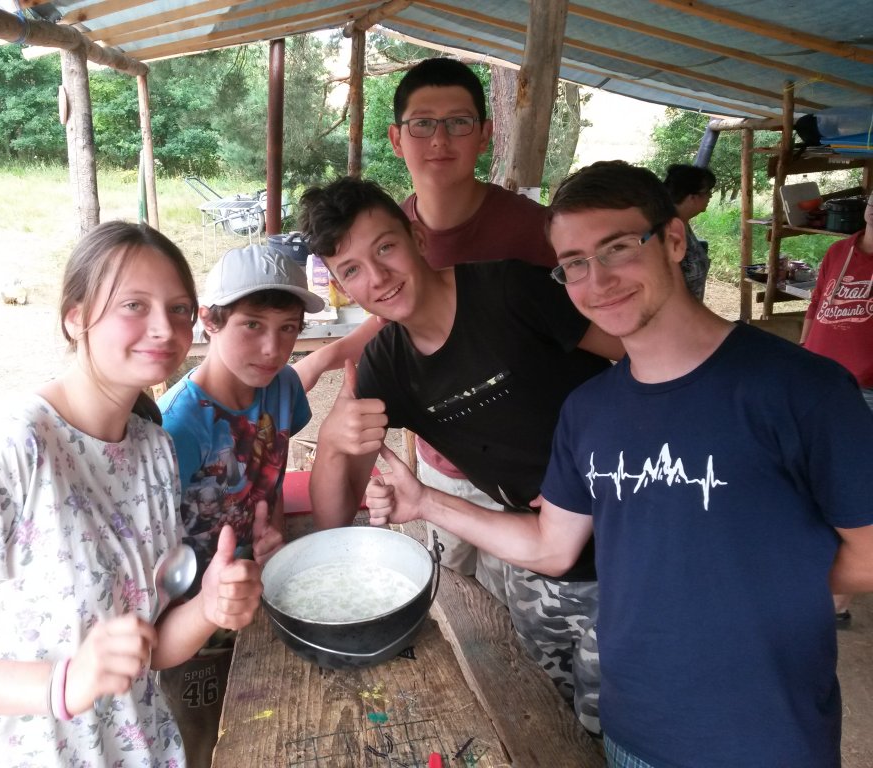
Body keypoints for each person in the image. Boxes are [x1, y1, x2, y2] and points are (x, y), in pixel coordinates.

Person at [366, 161, 873, 767]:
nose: (598, 280)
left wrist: (750, 587)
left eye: (618, 248)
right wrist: (425, 502)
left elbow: (868, 553)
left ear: (674, 240)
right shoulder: (589, 412)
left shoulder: (799, 389)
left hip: (762, 736)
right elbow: (551, 547)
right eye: (575, 263)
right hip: (631, 731)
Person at [0, 221, 264, 767]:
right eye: (134, 305)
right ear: (75, 317)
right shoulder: (5, 446)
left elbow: (147, 651)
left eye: (179, 309)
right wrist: (60, 685)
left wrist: (209, 606)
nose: (164, 327)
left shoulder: (154, 450)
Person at [297, 175, 624, 735]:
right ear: (342, 287)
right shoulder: (386, 365)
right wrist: (331, 439)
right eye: (351, 270)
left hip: (627, 546)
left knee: (623, 723)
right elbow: (335, 518)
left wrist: (606, 458)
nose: (377, 277)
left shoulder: (510, 290)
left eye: (385, 247)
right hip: (533, 560)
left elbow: (639, 354)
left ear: (418, 238)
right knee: (552, 717)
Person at [295, 58, 558, 604]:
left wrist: (590, 460)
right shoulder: (388, 343)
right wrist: (335, 436)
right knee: (468, 602)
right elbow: (388, 318)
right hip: (451, 472)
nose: (439, 139)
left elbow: (619, 345)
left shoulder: (524, 253)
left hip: (564, 493)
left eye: (457, 122)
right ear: (397, 138)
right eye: (423, 124)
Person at [156, 243, 323, 767]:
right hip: (191, 626)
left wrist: (274, 532)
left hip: (262, 594)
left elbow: (271, 470)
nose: (273, 348)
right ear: (210, 321)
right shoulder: (176, 429)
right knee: (205, 744)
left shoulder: (283, 387)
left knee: (273, 729)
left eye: (288, 328)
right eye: (252, 325)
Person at [800, 190, 873, 630]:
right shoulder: (839, 251)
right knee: (810, 479)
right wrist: (803, 350)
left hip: (865, 389)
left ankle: (836, 602)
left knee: (854, 489)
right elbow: (817, 304)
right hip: (819, 379)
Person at [663, 163, 716, 300]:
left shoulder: (683, 224)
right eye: (707, 192)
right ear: (692, 197)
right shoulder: (665, 232)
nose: (710, 196)